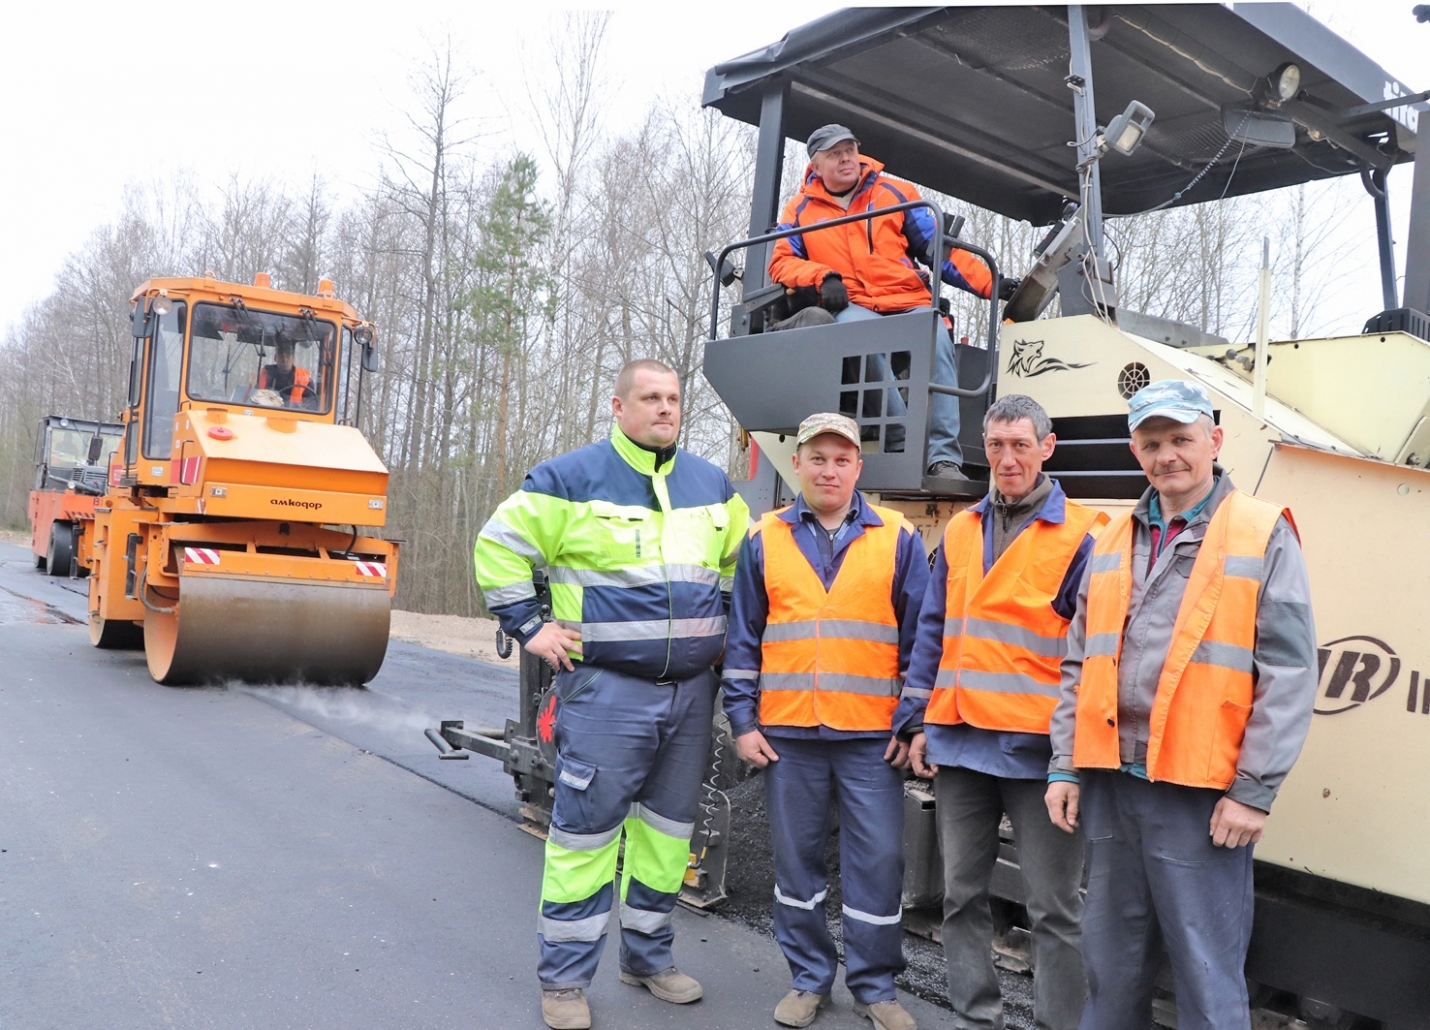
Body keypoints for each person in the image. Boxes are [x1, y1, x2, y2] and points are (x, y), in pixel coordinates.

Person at [473, 359, 750, 1030]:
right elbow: (498, 546)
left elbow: (744, 570)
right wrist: (530, 627)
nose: (665, 409)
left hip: (690, 697)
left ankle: (648, 959)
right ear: (618, 408)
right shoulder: (570, 479)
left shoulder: (712, 485)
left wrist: (725, 644)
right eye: (650, 398)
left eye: (674, 399)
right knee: (584, 838)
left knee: (666, 836)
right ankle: (565, 981)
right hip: (606, 693)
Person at [1044, 380, 1318, 1030]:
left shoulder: (1260, 533)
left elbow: (1290, 672)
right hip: (1112, 787)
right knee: (1110, 971)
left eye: (1181, 439)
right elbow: (1079, 663)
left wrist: (1253, 790)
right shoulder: (1110, 538)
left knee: (1205, 977)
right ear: (1137, 451)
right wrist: (1063, 766)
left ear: (1214, 441)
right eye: (1152, 442)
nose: (1167, 455)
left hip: (1200, 798)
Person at [891, 395, 1105, 1030]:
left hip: (1041, 753)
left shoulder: (1087, 533)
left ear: (1047, 447)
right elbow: (935, 629)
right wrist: (921, 718)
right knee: (961, 895)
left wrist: (1076, 754)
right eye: (995, 446)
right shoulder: (959, 530)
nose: (1006, 459)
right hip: (960, 743)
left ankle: (1060, 1023)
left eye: (1019, 445)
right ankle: (974, 1016)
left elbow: (1095, 650)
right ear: (982, 448)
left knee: (1054, 909)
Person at [722, 412, 929, 1030]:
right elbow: (743, 638)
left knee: (878, 864)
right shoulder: (764, 538)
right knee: (797, 864)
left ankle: (875, 988)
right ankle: (810, 979)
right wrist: (741, 720)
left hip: (871, 740)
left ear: (857, 468)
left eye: (842, 459)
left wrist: (911, 722)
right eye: (817, 458)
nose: (829, 469)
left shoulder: (898, 537)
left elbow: (923, 640)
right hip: (788, 736)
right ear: (799, 465)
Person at [768, 124, 1019, 482]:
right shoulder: (799, 210)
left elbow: (939, 251)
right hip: (853, 302)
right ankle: (902, 439)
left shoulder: (895, 193)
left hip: (905, 299)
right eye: (835, 154)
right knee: (857, 333)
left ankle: (943, 457)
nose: (846, 158)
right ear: (816, 165)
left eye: (850, 150)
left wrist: (993, 284)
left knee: (935, 335)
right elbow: (781, 262)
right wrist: (824, 277)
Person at [256, 336, 313, 406]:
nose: (284, 359)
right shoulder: (266, 375)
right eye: (281, 356)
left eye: (288, 356)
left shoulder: (305, 380)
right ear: (275, 357)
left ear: (293, 359)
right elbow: (256, 398)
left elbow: (310, 406)